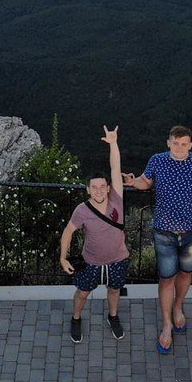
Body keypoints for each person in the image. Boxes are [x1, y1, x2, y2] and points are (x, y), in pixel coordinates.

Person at [123, 124, 192, 354]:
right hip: (164, 231)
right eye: (175, 143)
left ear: (190, 145)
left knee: (186, 273)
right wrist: (133, 182)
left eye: (183, 143)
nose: (179, 147)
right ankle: (167, 324)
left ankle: (178, 308)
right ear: (168, 143)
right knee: (166, 278)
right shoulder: (157, 160)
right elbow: (146, 182)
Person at [59, 125, 129, 343]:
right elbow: (68, 232)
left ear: (108, 187)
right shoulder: (82, 210)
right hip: (91, 262)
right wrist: (63, 257)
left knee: (114, 290)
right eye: (94, 187)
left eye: (102, 186)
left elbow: (115, 168)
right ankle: (76, 318)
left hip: (118, 259)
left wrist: (113, 143)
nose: (99, 190)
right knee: (82, 293)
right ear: (88, 189)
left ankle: (113, 316)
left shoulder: (117, 198)